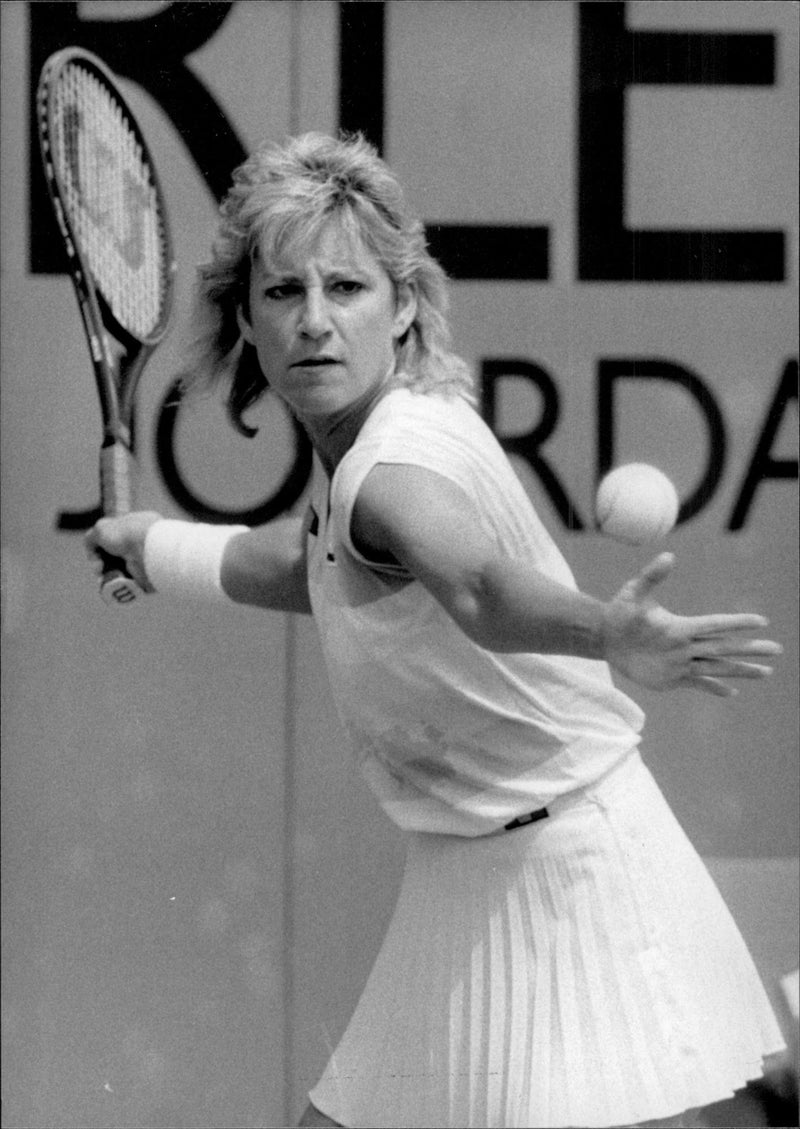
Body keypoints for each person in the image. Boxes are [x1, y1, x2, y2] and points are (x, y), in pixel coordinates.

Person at [87, 133, 785, 1129]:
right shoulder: (361, 454)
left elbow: (479, 587)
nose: (316, 322)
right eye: (283, 292)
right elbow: (307, 566)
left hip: (577, 878)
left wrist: (605, 635)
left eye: (348, 287)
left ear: (403, 304)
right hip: (464, 879)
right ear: (246, 316)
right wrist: (153, 545)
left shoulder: (394, 464)